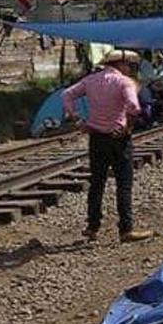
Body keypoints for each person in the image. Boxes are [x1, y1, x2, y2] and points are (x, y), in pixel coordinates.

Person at [63, 49, 154, 243]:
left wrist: (77, 119)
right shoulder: (124, 82)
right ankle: (126, 229)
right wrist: (128, 127)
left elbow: (67, 95)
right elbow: (134, 107)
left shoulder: (90, 81)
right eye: (127, 64)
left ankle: (92, 227)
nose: (129, 68)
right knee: (124, 183)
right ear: (119, 64)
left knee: (97, 183)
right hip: (118, 138)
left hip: (96, 138)